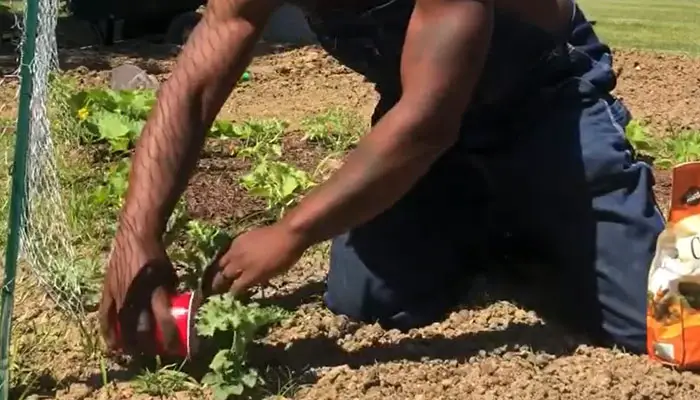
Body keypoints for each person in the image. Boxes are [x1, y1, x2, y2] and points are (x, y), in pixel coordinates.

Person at [98, 0, 665, 357]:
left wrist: (292, 231)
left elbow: (426, 126)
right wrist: (137, 233)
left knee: (654, 324)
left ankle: (533, 224)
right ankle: (496, 234)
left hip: (544, 105)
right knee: (366, 299)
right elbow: (195, 85)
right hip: (422, 119)